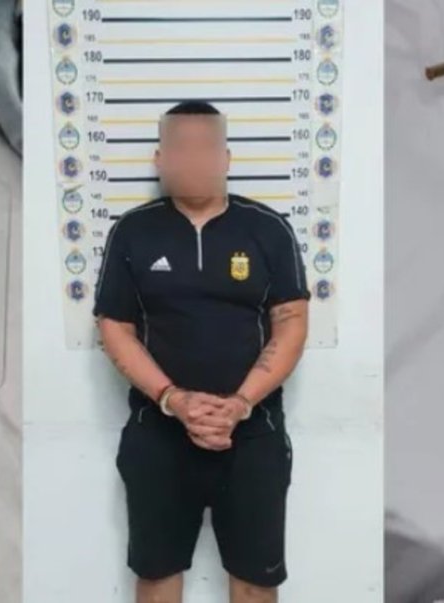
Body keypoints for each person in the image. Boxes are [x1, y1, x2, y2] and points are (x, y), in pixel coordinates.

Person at [93, 100, 311, 603]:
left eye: (206, 148)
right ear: (160, 159)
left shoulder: (269, 229)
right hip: (158, 432)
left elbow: (291, 323)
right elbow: (115, 326)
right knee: (156, 574)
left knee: (257, 581)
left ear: (226, 158)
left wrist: (241, 403)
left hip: (253, 434)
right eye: (180, 148)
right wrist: (173, 399)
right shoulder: (132, 231)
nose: (193, 160)